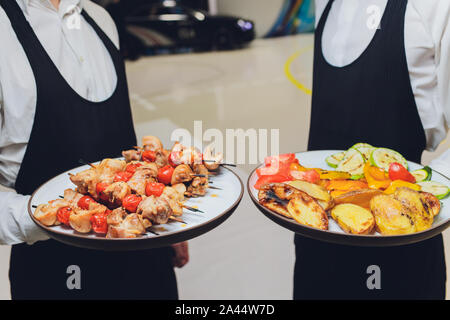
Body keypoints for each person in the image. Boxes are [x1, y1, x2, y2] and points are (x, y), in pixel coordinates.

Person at [0, 0, 188, 299]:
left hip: (141, 251)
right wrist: (55, 218)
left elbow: (119, 139)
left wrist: (161, 218)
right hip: (53, 268)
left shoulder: (101, 19)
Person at [295, 0, 449, 299]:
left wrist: (425, 190)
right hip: (315, 235)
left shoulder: (435, 6)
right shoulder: (323, 4)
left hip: (401, 250)